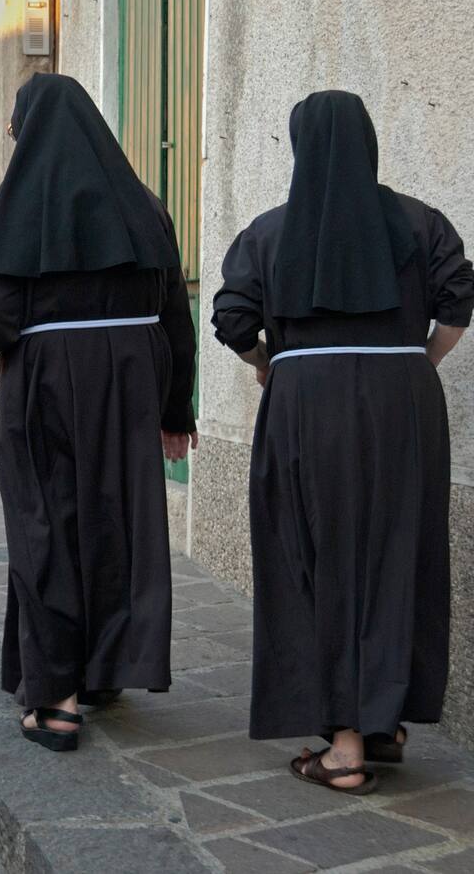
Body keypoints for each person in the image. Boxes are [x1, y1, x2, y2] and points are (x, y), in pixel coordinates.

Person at [212, 90, 472, 795]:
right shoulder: (420, 222)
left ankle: (346, 748)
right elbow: (457, 303)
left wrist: (272, 363)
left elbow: (232, 321)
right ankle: (384, 723)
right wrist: (417, 365)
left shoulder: (270, 233)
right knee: (398, 552)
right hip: (403, 400)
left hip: (307, 401)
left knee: (313, 555)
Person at [0, 73, 198, 751]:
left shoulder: (8, 213)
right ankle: (105, 668)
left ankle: (56, 696)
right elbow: (175, 311)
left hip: (47, 382)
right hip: (131, 383)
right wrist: (176, 409)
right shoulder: (144, 207)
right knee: (117, 524)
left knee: (44, 527)